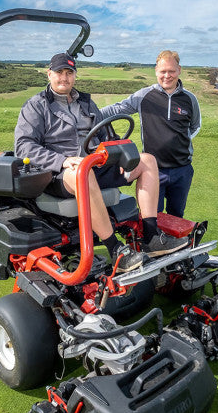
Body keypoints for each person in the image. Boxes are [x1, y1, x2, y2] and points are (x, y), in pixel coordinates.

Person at [14, 52, 188, 273]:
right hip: (60, 173)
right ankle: (115, 250)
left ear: (75, 76)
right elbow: (24, 146)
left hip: (96, 165)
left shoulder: (86, 102)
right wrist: (63, 160)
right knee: (82, 172)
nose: (64, 78)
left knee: (147, 160)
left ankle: (151, 237)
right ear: (49, 74)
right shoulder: (36, 106)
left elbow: (107, 135)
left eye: (69, 73)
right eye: (59, 73)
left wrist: (121, 154)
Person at [101, 50, 201, 218]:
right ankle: (153, 243)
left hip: (182, 169)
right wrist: (87, 114)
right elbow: (117, 109)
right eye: (163, 71)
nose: (167, 76)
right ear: (156, 71)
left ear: (179, 70)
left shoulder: (190, 99)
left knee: (177, 215)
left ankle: (176, 244)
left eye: (171, 71)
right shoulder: (144, 96)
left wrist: (179, 140)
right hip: (153, 171)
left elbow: (195, 125)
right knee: (152, 216)